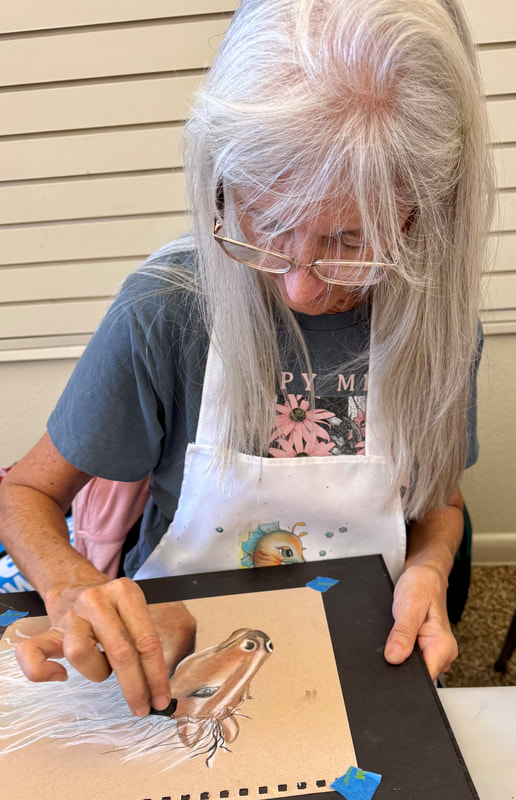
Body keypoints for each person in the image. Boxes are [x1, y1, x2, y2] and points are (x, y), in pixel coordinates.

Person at [0, 0, 494, 718]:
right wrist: (73, 586)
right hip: (179, 648)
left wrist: (429, 565)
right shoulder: (167, 312)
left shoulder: (439, 327)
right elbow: (24, 493)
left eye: (351, 241)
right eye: (266, 224)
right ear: (221, 183)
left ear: (422, 215)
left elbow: (439, 500)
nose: (300, 287)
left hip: (362, 647)